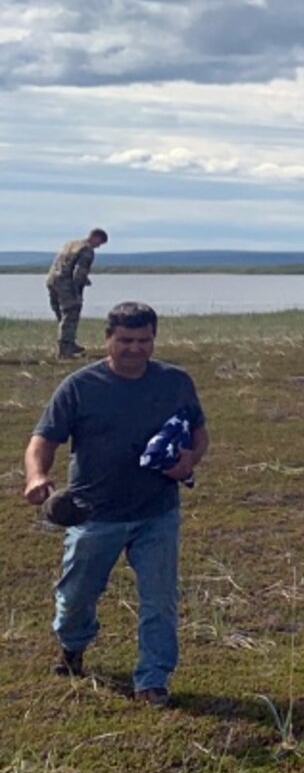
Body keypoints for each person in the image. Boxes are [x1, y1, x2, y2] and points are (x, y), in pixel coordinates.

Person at [21, 301, 209, 708]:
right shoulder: (79, 387)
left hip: (157, 512)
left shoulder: (175, 381)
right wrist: (37, 476)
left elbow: (199, 432)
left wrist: (190, 461)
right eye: (125, 340)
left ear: (154, 339)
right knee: (75, 598)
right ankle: (72, 646)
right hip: (93, 513)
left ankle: (152, 680)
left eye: (144, 340)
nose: (135, 348)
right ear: (107, 339)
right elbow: (43, 440)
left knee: (159, 600)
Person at [46, 228, 108, 358]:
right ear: (96, 237)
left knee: (62, 315)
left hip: (52, 281)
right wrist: (79, 290)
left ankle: (69, 343)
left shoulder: (70, 244)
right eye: (100, 243)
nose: (99, 246)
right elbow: (79, 273)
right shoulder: (86, 249)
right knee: (70, 314)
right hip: (67, 285)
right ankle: (65, 349)